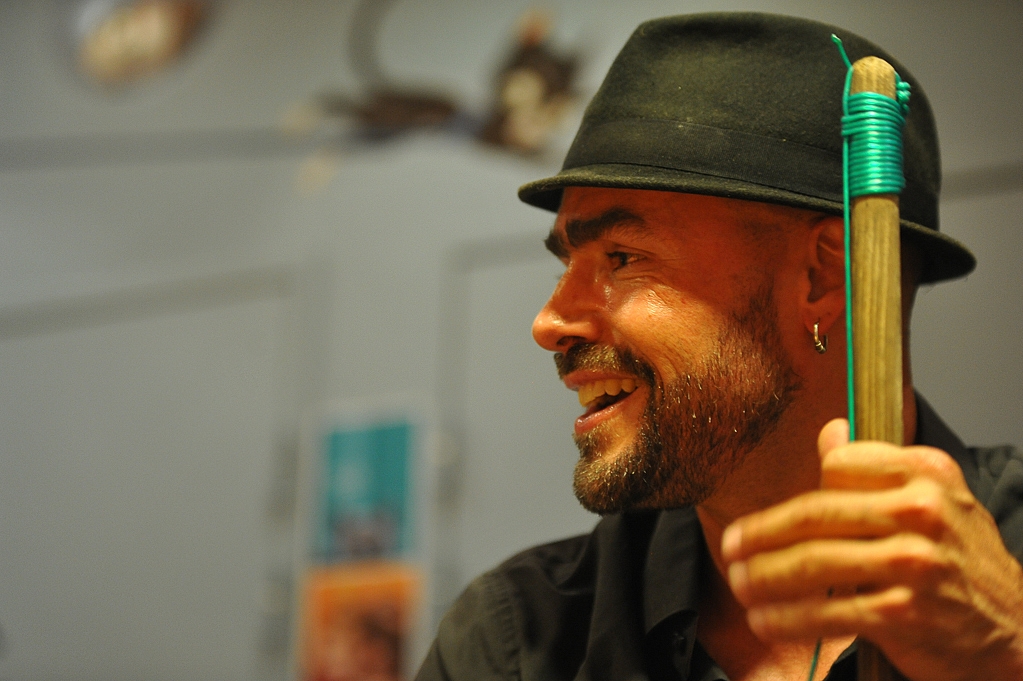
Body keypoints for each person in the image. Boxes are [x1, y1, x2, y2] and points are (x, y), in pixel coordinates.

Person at [416, 13, 1023, 681]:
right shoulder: (515, 646)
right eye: (566, 262)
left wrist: (1007, 648)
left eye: (622, 257)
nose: (549, 322)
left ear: (822, 277)